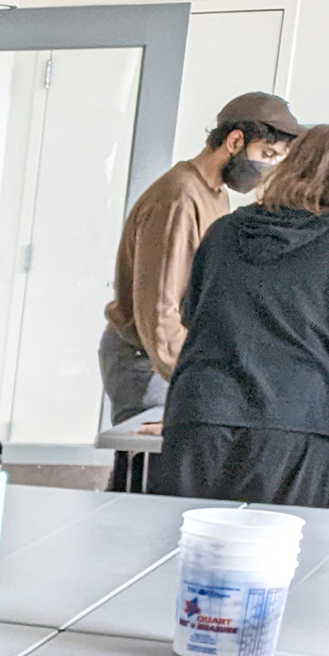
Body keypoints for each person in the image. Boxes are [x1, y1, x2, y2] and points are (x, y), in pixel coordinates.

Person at [151, 125, 329, 505]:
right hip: (293, 422)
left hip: (201, 414)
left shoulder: (223, 231)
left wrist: (185, 409)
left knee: (183, 547)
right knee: (275, 552)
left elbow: (195, 319)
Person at [101, 92, 300, 424]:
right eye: (266, 154)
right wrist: (196, 384)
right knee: (150, 469)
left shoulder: (214, 194)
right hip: (150, 361)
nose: (268, 168)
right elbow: (159, 313)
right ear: (235, 141)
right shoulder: (179, 198)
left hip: (171, 357)